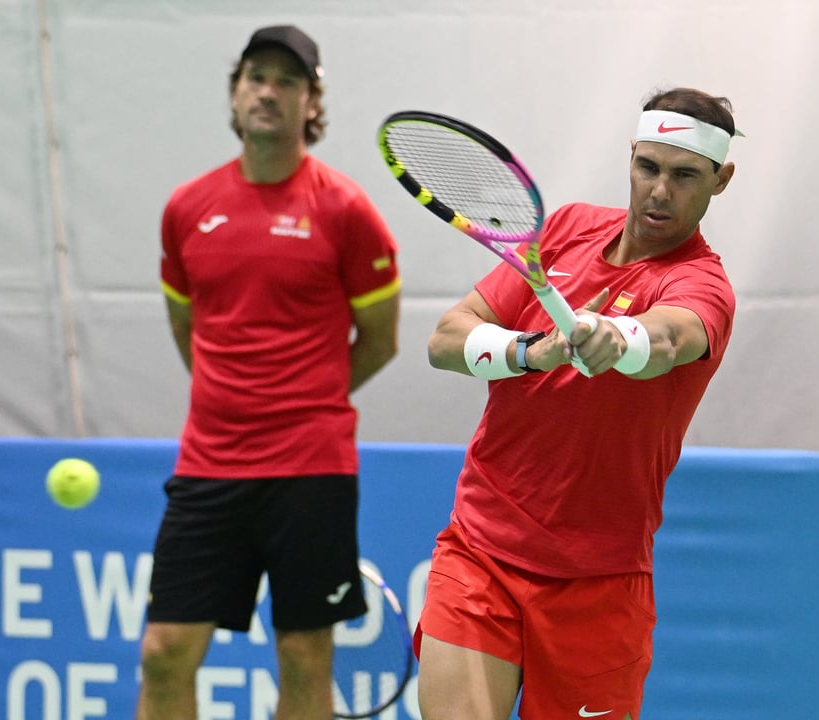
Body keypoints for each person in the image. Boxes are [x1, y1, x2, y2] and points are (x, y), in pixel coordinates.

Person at [415, 87, 740, 720]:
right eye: (648, 167)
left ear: (720, 180)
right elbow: (445, 339)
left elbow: (670, 339)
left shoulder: (703, 284)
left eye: (684, 176)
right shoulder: (562, 232)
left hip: (600, 580)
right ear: (630, 157)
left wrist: (618, 339)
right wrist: (534, 351)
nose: (659, 191)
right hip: (482, 547)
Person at [136, 24, 401, 720]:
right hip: (208, 466)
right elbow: (185, 327)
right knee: (164, 651)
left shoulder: (346, 211)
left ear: (311, 102)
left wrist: (303, 399)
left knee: (306, 657)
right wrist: (235, 399)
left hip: (311, 467)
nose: (269, 91)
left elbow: (379, 340)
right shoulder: (186, 209)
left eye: (288, 81)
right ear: (234, 92)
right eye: (256, 76)